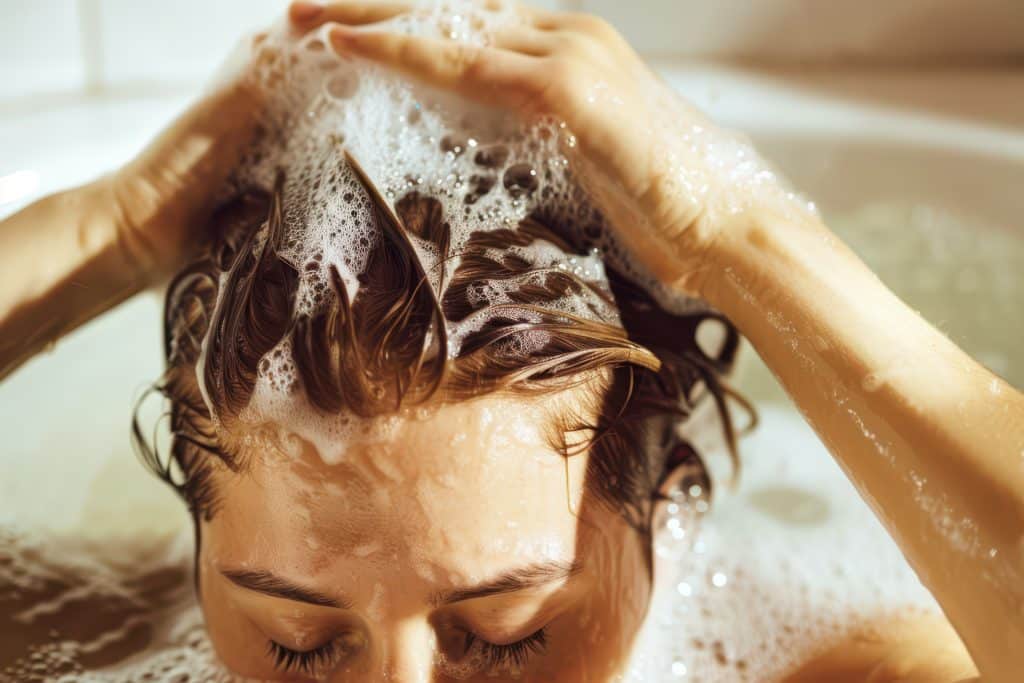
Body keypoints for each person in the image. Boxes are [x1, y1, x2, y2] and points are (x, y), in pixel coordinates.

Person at [0, 2, 1020, 680]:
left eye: (505, 633)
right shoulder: (104, 633)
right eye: (297, 642)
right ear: (202, 553)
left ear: (661, 502)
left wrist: (734, 236)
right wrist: (115, 222)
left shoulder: (821, 668)